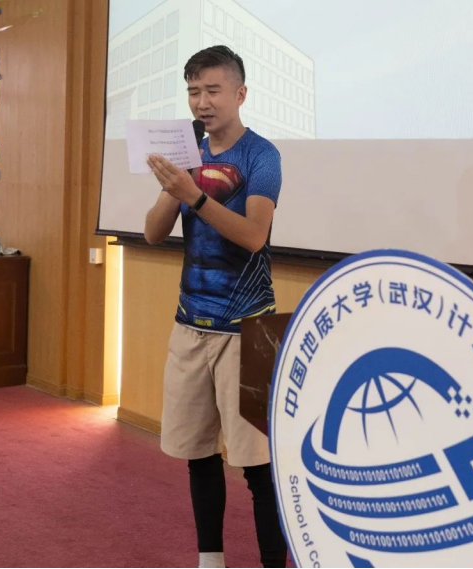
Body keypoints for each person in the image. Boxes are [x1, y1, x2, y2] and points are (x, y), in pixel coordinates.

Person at [144, 45, 287, 569]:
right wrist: (175, 187)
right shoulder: (190, 155)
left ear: (240, 93)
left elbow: (253, 236)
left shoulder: (261, 156)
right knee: (198, 455)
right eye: (193, 92)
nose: (202, 102)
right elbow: (152, 234)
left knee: (258, 465)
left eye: (212, 91)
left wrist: (196, 196)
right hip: (191, 323)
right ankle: (211, 560)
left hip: (250, 328)